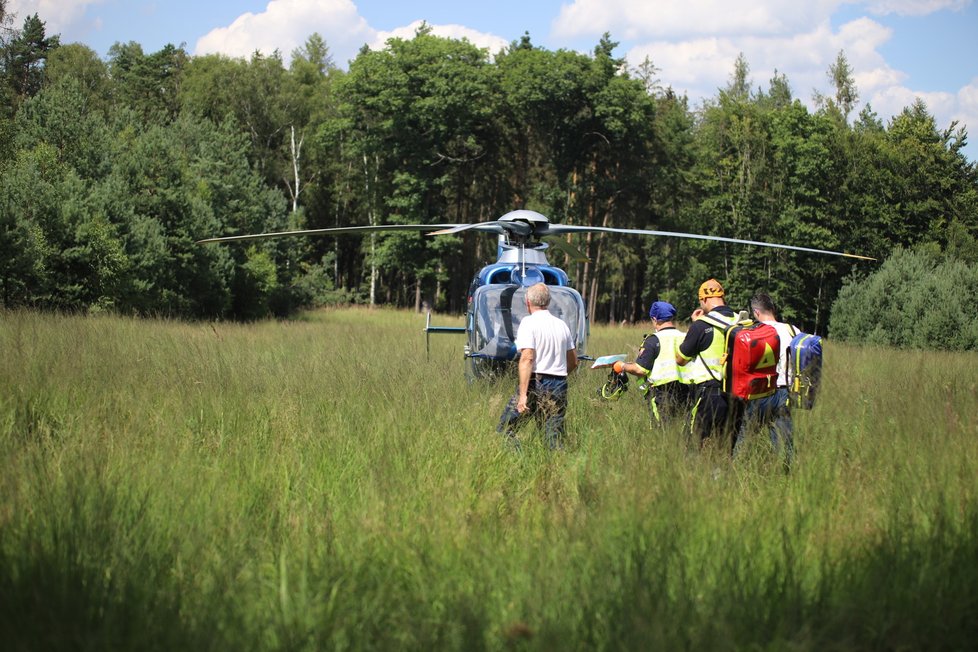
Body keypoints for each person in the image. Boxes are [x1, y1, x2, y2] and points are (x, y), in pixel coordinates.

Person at [497, 282, 578, 449]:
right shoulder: (562, 325)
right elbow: (573, 362)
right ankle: (557, 470)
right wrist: (558, 377)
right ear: (547, 302)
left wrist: (523, 395)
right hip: (560, 384)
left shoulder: (528, 323)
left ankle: (519, 464)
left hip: (536, 382)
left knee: (505, 429)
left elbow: (527, 358)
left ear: (528, 302)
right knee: (552, 436)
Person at [675, 278, 746, 452]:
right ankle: (719, 477)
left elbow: (681, 358)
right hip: (738, 395)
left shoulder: (701, 325)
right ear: (722, 296)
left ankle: (694, 478)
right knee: (725, 449)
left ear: (704, 300)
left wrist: (694, 324)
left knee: (694, 446)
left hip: (710, 394)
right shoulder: (742, 322)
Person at [614, 300, 698, 428]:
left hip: (662, 394)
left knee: (663, 433)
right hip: (687, 393)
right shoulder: (685, 336)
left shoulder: (653, 340)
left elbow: (641, 370)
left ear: (654, 319)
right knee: (683, 432)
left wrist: (622, 365)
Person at [736, 292, 797, 466]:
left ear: (756, 312)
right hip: (786, 392)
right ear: (772, 309)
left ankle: (737, 471)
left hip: (760, 392)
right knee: (784, 442)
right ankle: (785, 474)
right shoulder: (793, 330)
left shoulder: (752, 331)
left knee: (744, 438)